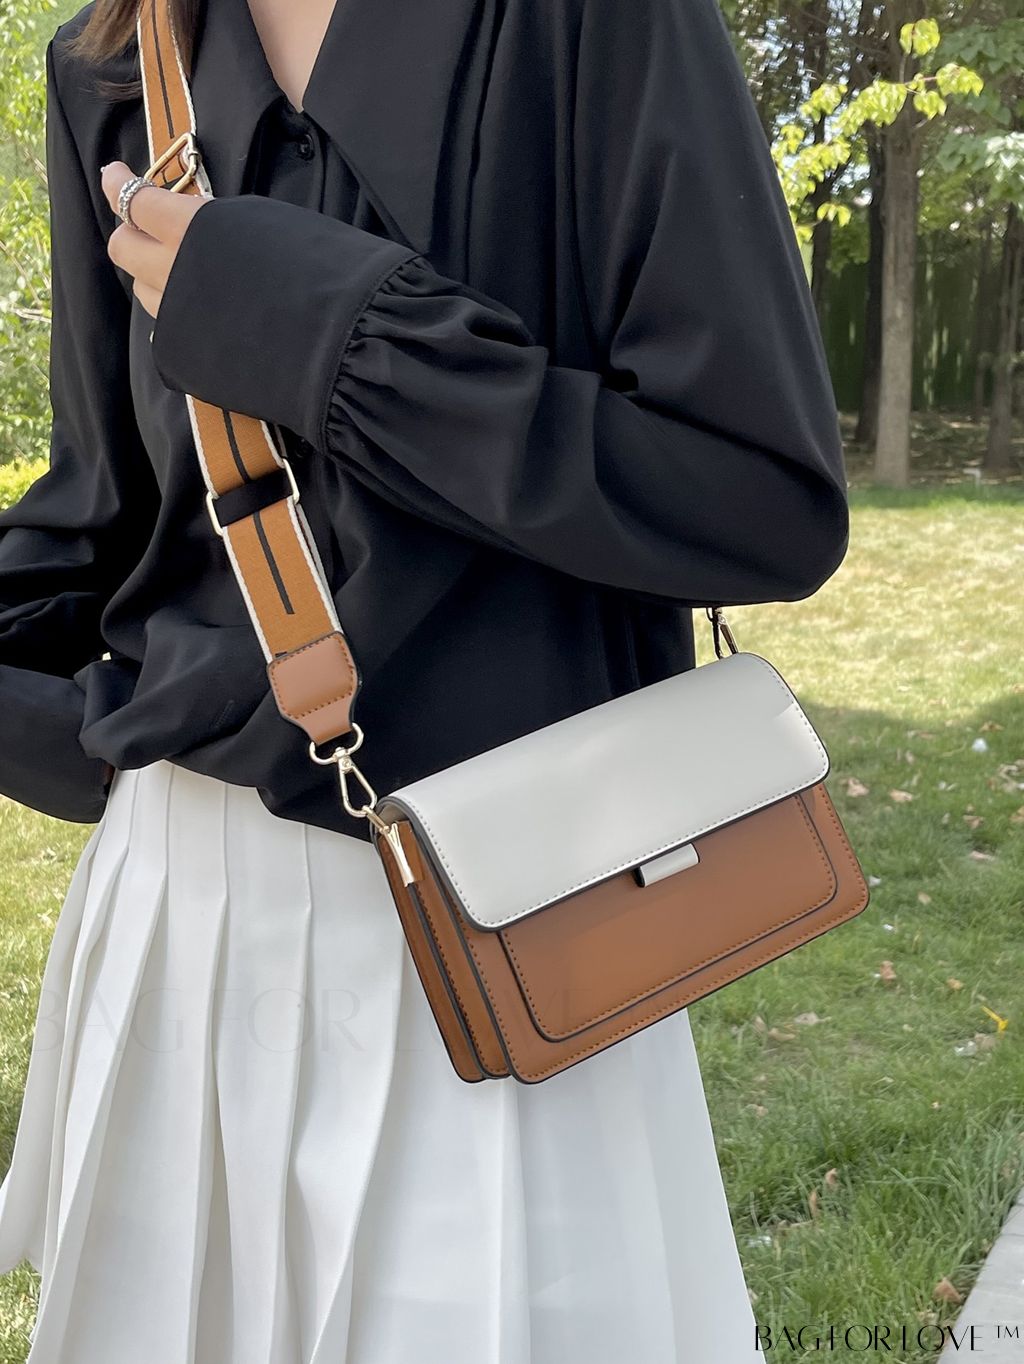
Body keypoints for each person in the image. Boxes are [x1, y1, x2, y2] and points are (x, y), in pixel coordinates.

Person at [0, 0, 851, 1358]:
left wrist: (332, 334)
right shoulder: (115, 59)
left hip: (516, 922)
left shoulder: (591, 27)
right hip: (182, 926)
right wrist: (74, 731)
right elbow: (106, 516)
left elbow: (758, 496)